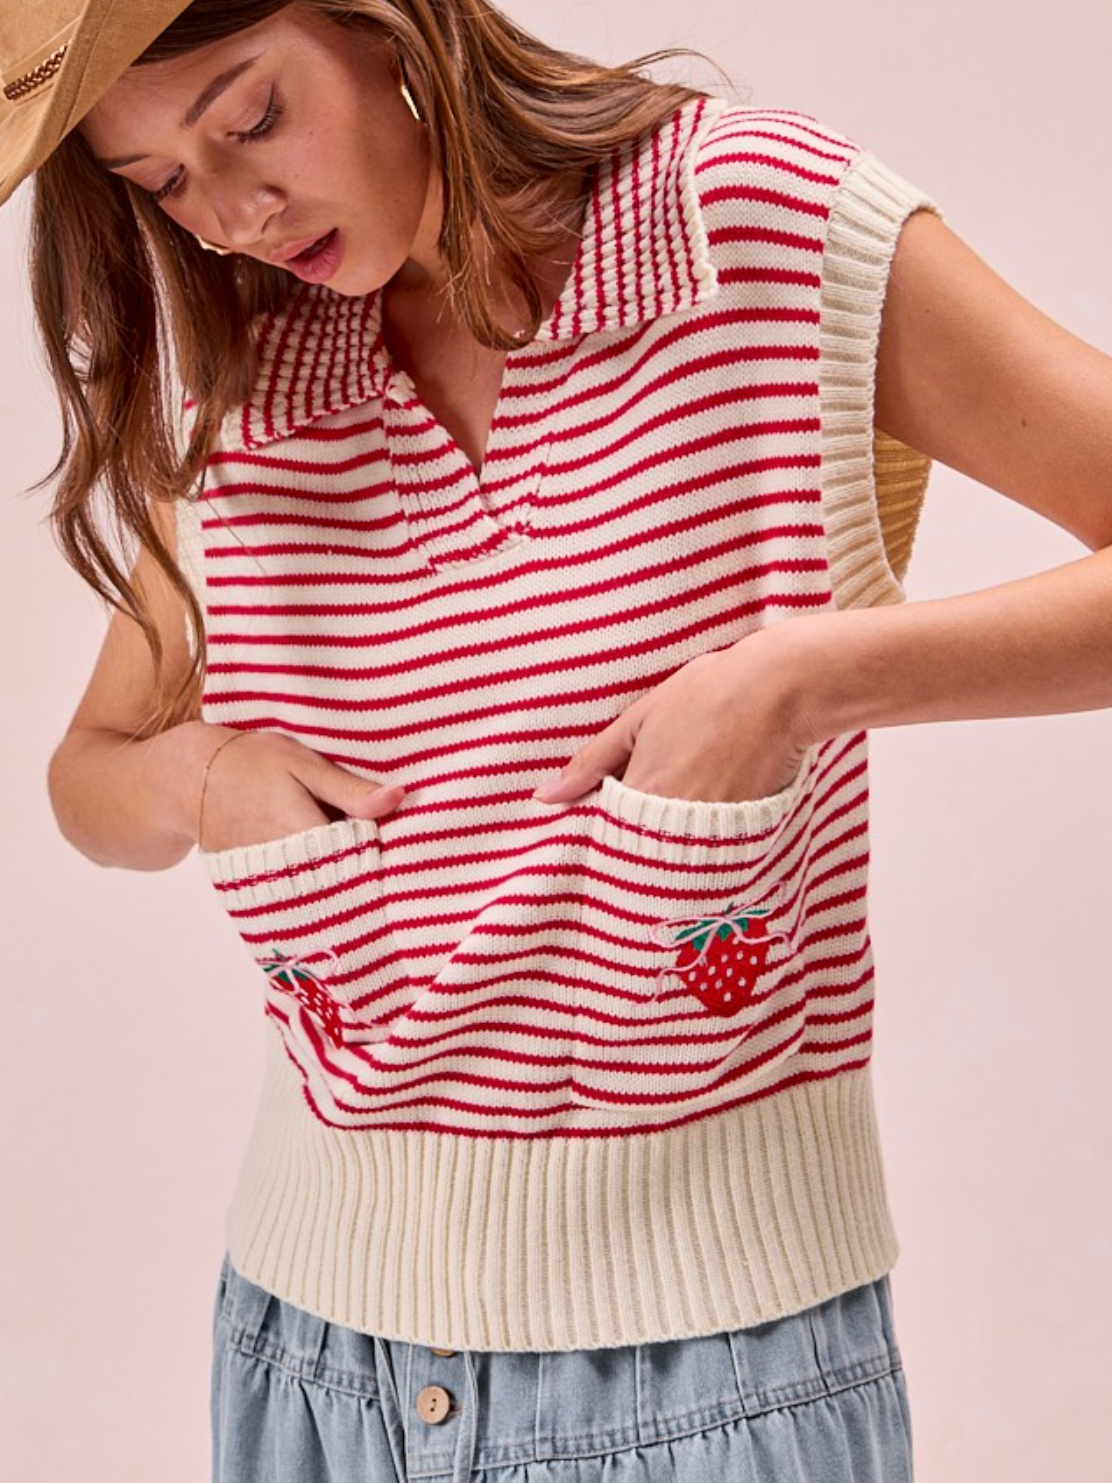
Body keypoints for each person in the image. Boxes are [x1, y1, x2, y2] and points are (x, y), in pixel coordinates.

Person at [4, 1, 1111, 1479]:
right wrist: (202, 777)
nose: (233, 215)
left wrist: (798, 679)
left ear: (385, 24)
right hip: (313, 1366)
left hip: (718, 1365)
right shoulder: (246, 379)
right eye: (161, 183)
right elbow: (90, 774)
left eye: (252, 118)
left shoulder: (746, 224)